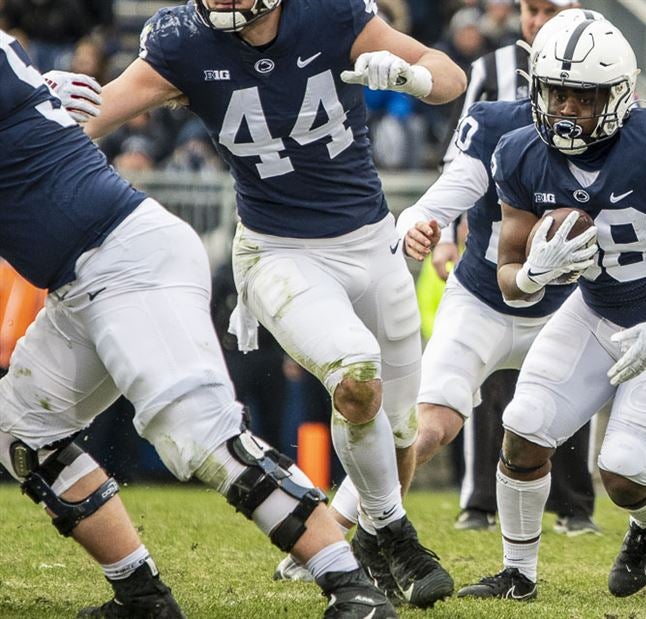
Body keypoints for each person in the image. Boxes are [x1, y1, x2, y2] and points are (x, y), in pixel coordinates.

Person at [83, 0, 467, 608]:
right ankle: (393, 530)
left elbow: (450, 78)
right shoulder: (183, 40)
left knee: (397, 427)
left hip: (372, 244)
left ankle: (374, 534)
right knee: (357, 375)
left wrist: (413, 76)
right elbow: (92, 115)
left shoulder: (331, 14)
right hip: (278, 250)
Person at [0, 30, 394, 618]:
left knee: (200, 433)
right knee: (22, 429)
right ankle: (142, 597)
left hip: (126, 260)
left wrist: (43, 98)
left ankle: (352, 587)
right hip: (82, 277)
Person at [454, 19, 646, 602]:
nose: (566, 108)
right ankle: (518, 573)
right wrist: (532, 275)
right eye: (556, 92)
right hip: (597, 312)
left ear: (617, 95)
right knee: (523, 424)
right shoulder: (518, 153)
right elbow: (510, 276)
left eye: (583, 96)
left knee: (624, 467)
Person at [433, 0, 601, 536]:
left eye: (549, 9)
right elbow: (461, 161)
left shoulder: (602, 65)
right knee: (490, 383)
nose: (536, 20)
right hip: (497, 241)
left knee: (569, 378)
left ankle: (575, 505)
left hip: (569, 243)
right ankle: (479, 501)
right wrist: (444, 231)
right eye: (530, 9)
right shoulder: (492, 72)